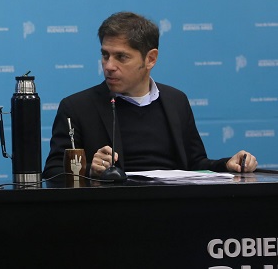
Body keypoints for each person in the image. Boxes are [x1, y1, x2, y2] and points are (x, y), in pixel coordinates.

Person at [43, 11, 257, 179]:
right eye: (105, 55)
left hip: (172, 207)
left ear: (150, 59)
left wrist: (227, 165)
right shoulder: (77, 107)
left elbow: (196, 165)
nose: (109, 66)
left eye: (121, 57)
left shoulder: (176, 101)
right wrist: (90, 169)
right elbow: (53, 172)